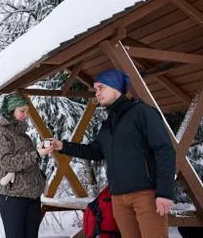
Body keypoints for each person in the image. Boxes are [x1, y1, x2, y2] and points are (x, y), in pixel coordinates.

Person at [51, 69, 176, 238]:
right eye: (95, 89)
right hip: (118, 199)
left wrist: (165, 193)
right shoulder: (108, 123)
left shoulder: (142, 112)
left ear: (116, 88)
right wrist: (62, 146)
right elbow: (95, 152)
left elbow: (164, 150)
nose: (97, 93)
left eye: (101, 87)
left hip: (145, 196)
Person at [0, 93, 53, 238]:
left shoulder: (24, 135)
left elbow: (28, 161)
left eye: (27, 111)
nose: (26, 114)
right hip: (13, 198)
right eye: (22, 111)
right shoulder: (1, 134)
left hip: (32, 197)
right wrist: (36, 154)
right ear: (12, 110)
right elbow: (7, 162)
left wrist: (39, 151)